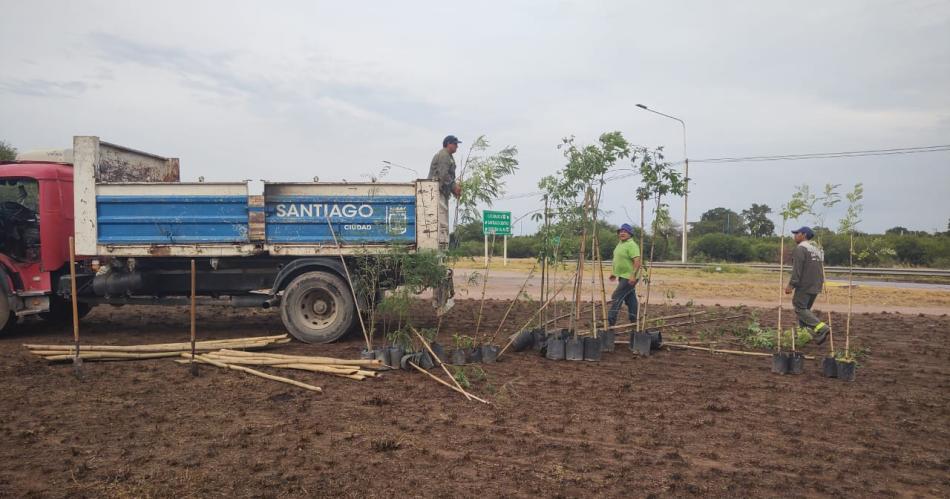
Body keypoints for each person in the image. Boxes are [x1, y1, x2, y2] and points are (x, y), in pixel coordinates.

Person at [785, 226, 831, 344]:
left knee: (799, 307)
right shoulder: (817, 249)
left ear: (804, 235)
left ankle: (822, 328)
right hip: (816, 284)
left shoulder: (800, 249)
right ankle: (803, 336)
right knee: (805, 311)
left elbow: (797, 269)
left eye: (797, 233)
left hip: (805, 285)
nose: (794, 235)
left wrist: (791, 284)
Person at [608, 223, 641, 327]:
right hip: (622, 276)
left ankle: (610, 321)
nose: (622, 233)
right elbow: (618, 259)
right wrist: (614, 273)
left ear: (630, 234)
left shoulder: (632, 245)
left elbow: (637, 261)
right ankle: (634, 320)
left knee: (616, 296)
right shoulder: (620, 244)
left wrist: (633, 275)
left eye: (625, 231)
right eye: (620, 231)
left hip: (629, 276)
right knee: (630, 298)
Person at [428, 135, 462, 200]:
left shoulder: (449, 156)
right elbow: (443, 175)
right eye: (455, 144)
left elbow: (447, 176)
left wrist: (454, 190)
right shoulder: (444, 155)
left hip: (439, 191)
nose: (457, 146)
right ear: (448, 144)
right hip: (434, 191)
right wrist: (454, 187)